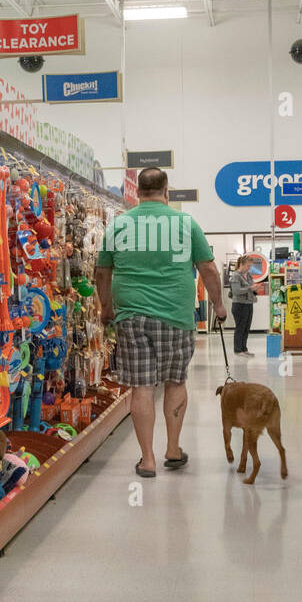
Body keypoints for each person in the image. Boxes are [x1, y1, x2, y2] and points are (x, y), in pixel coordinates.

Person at [95, 167, 226, 478]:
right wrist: (218, 305)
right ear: (167, 191)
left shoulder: (119, 224)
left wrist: (105, 308)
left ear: (137, 192)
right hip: (176, 316)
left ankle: (147, 459)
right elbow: (207, 269)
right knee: (175, 381)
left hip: (131, 315)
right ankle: (173, 449)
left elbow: (102, 272)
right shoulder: (185, 223)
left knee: (141, 386)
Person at [229, 256, 256, 355]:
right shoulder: (236, 276)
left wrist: (255, 288)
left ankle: (244, 348)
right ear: (242, 264)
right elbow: (236, 291)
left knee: (246, 327)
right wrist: (250, 288)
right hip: (239, 305)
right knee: (240, 327)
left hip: (249, 304)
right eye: (248, 266)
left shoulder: (248, 276)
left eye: (250, 266)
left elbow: (251, 287)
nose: (249, 268)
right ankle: (237, 349)